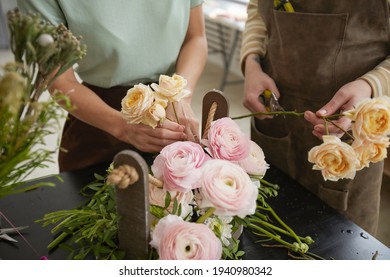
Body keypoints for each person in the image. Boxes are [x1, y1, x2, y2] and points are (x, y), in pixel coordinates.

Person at [240, 0, 390, 235]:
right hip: (275, 124)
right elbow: (258, 11)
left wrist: (370, 85)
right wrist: (251, 62)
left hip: (349, 138)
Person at [17, 0, 208, 172]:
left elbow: (195, 38)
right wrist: (121, 127)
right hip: (99, 118)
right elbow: (59, 79)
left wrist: (181, 94)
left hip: (171, 113)